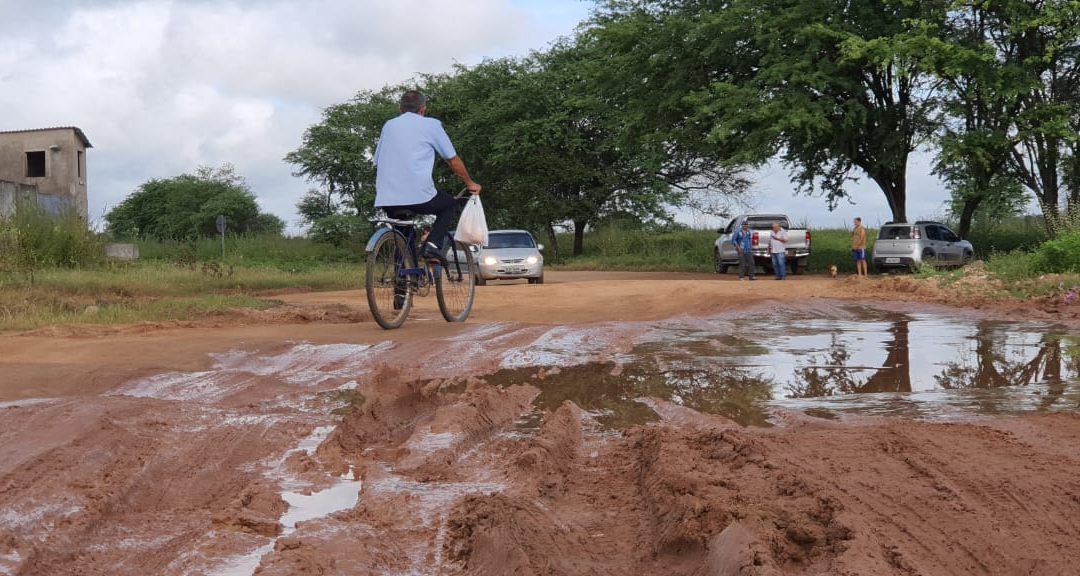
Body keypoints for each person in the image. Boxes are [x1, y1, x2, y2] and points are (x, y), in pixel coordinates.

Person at [374, 90, 481, 264]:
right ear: (423, 109)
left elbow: (377, 160)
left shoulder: (388, 126)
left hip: (387, 197)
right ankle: (432, 245)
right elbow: (452, 160)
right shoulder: (431, 125)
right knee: (448, 205)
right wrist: (469, 183)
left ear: (400, 108)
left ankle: (404, 279)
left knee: (403, 236)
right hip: (419, 195)